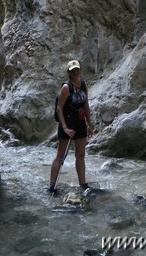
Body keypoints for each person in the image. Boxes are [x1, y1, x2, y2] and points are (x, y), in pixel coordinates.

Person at [49, 59, 93, 193]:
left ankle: (83, 183)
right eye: (72, 70)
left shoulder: (84, 85)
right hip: (67, 124)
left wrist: (89, 124)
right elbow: (59, 109)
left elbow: (85, 105)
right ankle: (52, 185)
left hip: (80, 124)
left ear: (80, 70)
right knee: (61, 156)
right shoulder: (66, 88)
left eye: (77, 69)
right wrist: (65, 128)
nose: (75, 72)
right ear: (69, 72)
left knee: (80, 155)